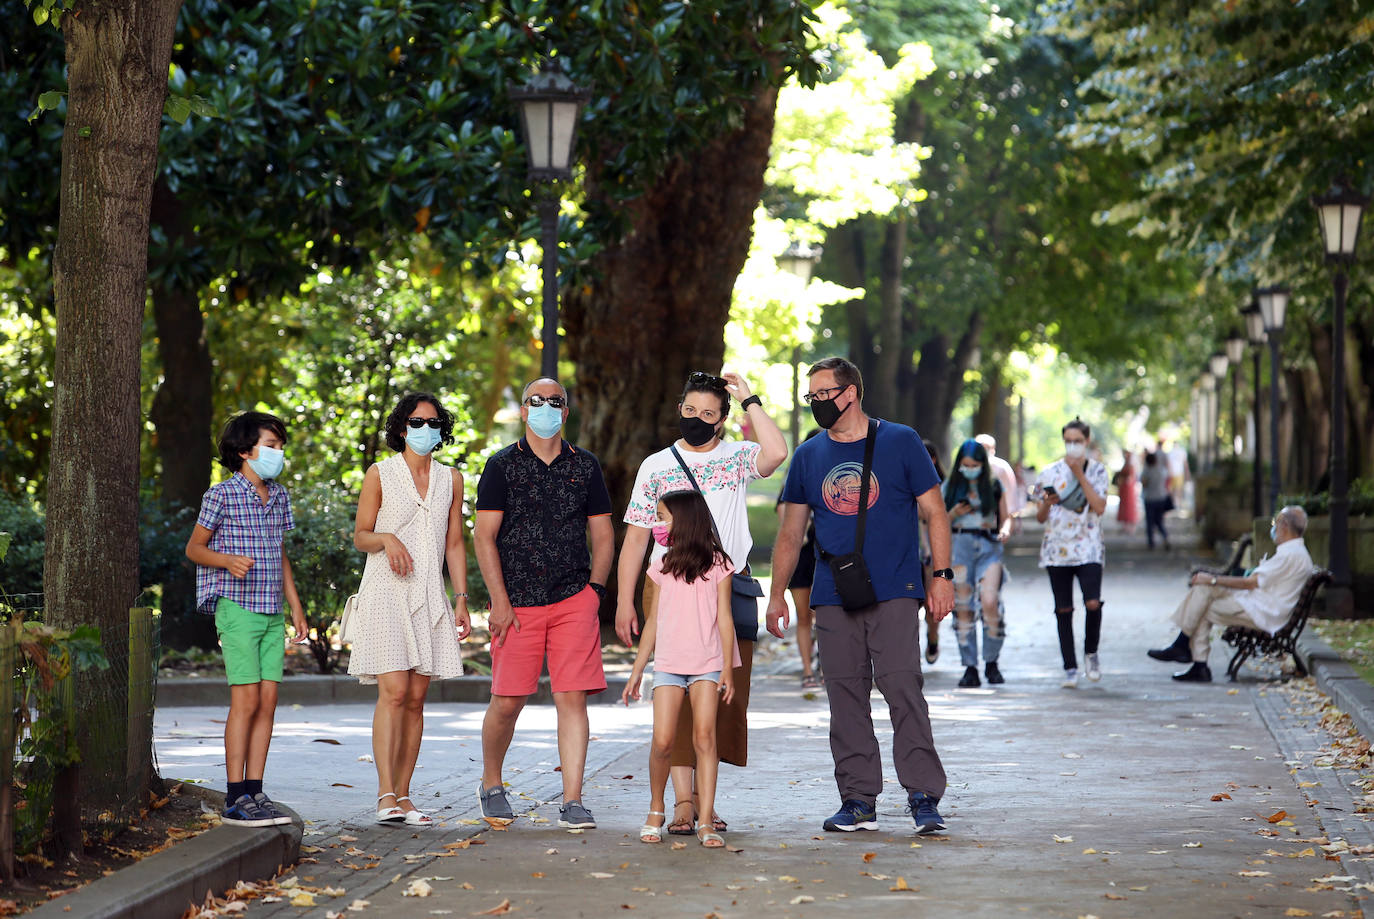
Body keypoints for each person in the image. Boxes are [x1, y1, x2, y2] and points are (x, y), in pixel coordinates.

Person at [768, 357, 954, 835]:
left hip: (894, 585)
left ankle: (923, 795)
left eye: (822, 394)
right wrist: (777, 596)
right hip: (833, 591)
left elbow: (934, 512)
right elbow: (790, 533)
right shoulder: (809, 455)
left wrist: (942, 575)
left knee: (901, 686)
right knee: (844, 694)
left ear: (850, 393)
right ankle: (857, 799)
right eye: (810, 397)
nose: (816, 404)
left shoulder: (901, 441)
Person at [617, 370, 787, 836]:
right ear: (679, 410)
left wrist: (750, 397)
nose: (696, 419)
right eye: (689, 410)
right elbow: (634, 540)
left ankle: (705, 801)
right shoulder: (656, 465)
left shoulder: (737, 457)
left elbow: (776, 453)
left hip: (726, 586)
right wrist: (625, 602)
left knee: (718, 698)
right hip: (668, 586)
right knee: (674, 699)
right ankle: (684, 803)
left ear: (722, 420)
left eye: (708, 414)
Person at [474, 379, 614, 830]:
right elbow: (483, 537)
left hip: (574, 598)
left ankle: (573, 799)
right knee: (508, 701)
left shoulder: (586, 466)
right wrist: (499, 600)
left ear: (566, 413)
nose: (546, 408)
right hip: (517, 604)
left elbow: (604, 534)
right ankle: (491, 783)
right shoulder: (501, 466)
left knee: (572, 699)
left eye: (556, 402)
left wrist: (595, 591)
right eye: (537, 401)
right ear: (523, 411)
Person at [349, 393, 471, 826]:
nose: (425, 429)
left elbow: (454, 543)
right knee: (395, 693)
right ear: (401, 428)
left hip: (429, 596)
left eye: (433, 422)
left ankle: (404, 796)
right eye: (416, 422)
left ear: (442, 429)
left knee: (417, 699)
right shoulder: (379, 474)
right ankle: (384, 795)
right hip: (385, 593)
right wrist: (386, 538)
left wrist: (460, 597)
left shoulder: (451, 479)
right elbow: (361, 535)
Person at [185, 411, 307, 827]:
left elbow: (281, 553)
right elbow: (194, 549)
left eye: (280, 447)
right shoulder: (221, 495)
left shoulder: (279, 495)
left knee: (268, 702)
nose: (278, 453)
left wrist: (295, 606)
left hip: (272, 611)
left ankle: (256, 790)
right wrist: (226, 561)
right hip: (236, 608)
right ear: (244, 451)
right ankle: (235, 796)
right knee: (247, 700)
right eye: (271, 446)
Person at [621, 490, 740, 848]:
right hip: (669, 665)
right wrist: (638, 670)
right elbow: (654, 622)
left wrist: (728, 669)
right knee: (663, 741)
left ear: (684, 521)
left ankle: (705, 821)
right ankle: (656, 809)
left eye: (663, 516)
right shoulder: (661, 566)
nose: (658, 523)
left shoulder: (719, 563)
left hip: (707, 664)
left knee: (705, 739)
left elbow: (724, 617)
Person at [1148, 506, 1315, 682]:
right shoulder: (1295, 553)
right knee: (1203, 591)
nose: (1273, 529)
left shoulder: (1289, 555)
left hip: (1262, 613)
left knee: (1202, 603)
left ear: (1284, 526)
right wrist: (1211, 581)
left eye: (1275, 523)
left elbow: (1250, 583)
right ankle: (1187, 652)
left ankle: (1190, 654)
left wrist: (1213, 579)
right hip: (1260, 605)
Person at [1035, 419, 1109, 689]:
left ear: (1086, 441)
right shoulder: (1048, 472)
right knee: (1063, 609)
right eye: (1068, 440)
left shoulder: (1099, 471)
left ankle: (1091, 652)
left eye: (1078, 440)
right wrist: (1046, 502)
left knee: (1092, 603)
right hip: (1057, 549)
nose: (1073, 445)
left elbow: (1100, 507)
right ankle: (1069, 667)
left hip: (1088, 546)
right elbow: (1040, 516)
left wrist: (1079, 474)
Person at [943, 439, 1011, 687]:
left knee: (990, 601)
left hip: (989, 547)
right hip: (960, 547)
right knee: (963, 607)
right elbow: (937, 520)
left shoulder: (993, 484)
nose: (969, 468)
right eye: (965, 464)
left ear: (983, 464)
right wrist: (953, 514)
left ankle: (992, 661)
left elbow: (1006, 517)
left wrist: (1004, 530)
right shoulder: (950, 486)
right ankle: (970, 667)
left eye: (974, 464)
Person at [777, 433, 821, 689]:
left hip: (831, 555)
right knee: (804, 616)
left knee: (828, 614)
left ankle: (826, 666)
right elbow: (784, 510)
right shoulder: (796, 477)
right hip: (802, 555)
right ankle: (807, 670)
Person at [919, 438, 946, 665]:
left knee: (931, 603)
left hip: (930, 554)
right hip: (910, 552)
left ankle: (933, 635)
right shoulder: (901, 480)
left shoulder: (943, 486)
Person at [975, 434, 1025, 522]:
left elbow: (1010, 494)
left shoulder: (1001, 467)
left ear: (993, 449)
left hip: (997, 518)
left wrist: (1008, 522)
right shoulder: (969, 466)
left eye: (986, 447)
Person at [1140, 449, 1172, 551]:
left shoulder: (1146, 471)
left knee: (1150, 522)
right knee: (1159, 521)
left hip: (1149, 498)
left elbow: (1144, 484)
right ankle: (1165, 536)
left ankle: (1151, 542)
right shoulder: (1162, 470)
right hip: (1161, 497)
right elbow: (1167, 481)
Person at [1113, 451, 1140, 535]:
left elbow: (1130, 478)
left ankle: (1130, 527)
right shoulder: (1126, 465)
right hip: (1124, 489)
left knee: (1129, 506)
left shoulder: (1130, 466)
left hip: (1128, 489)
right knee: (1125, 506)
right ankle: (1125, 526)